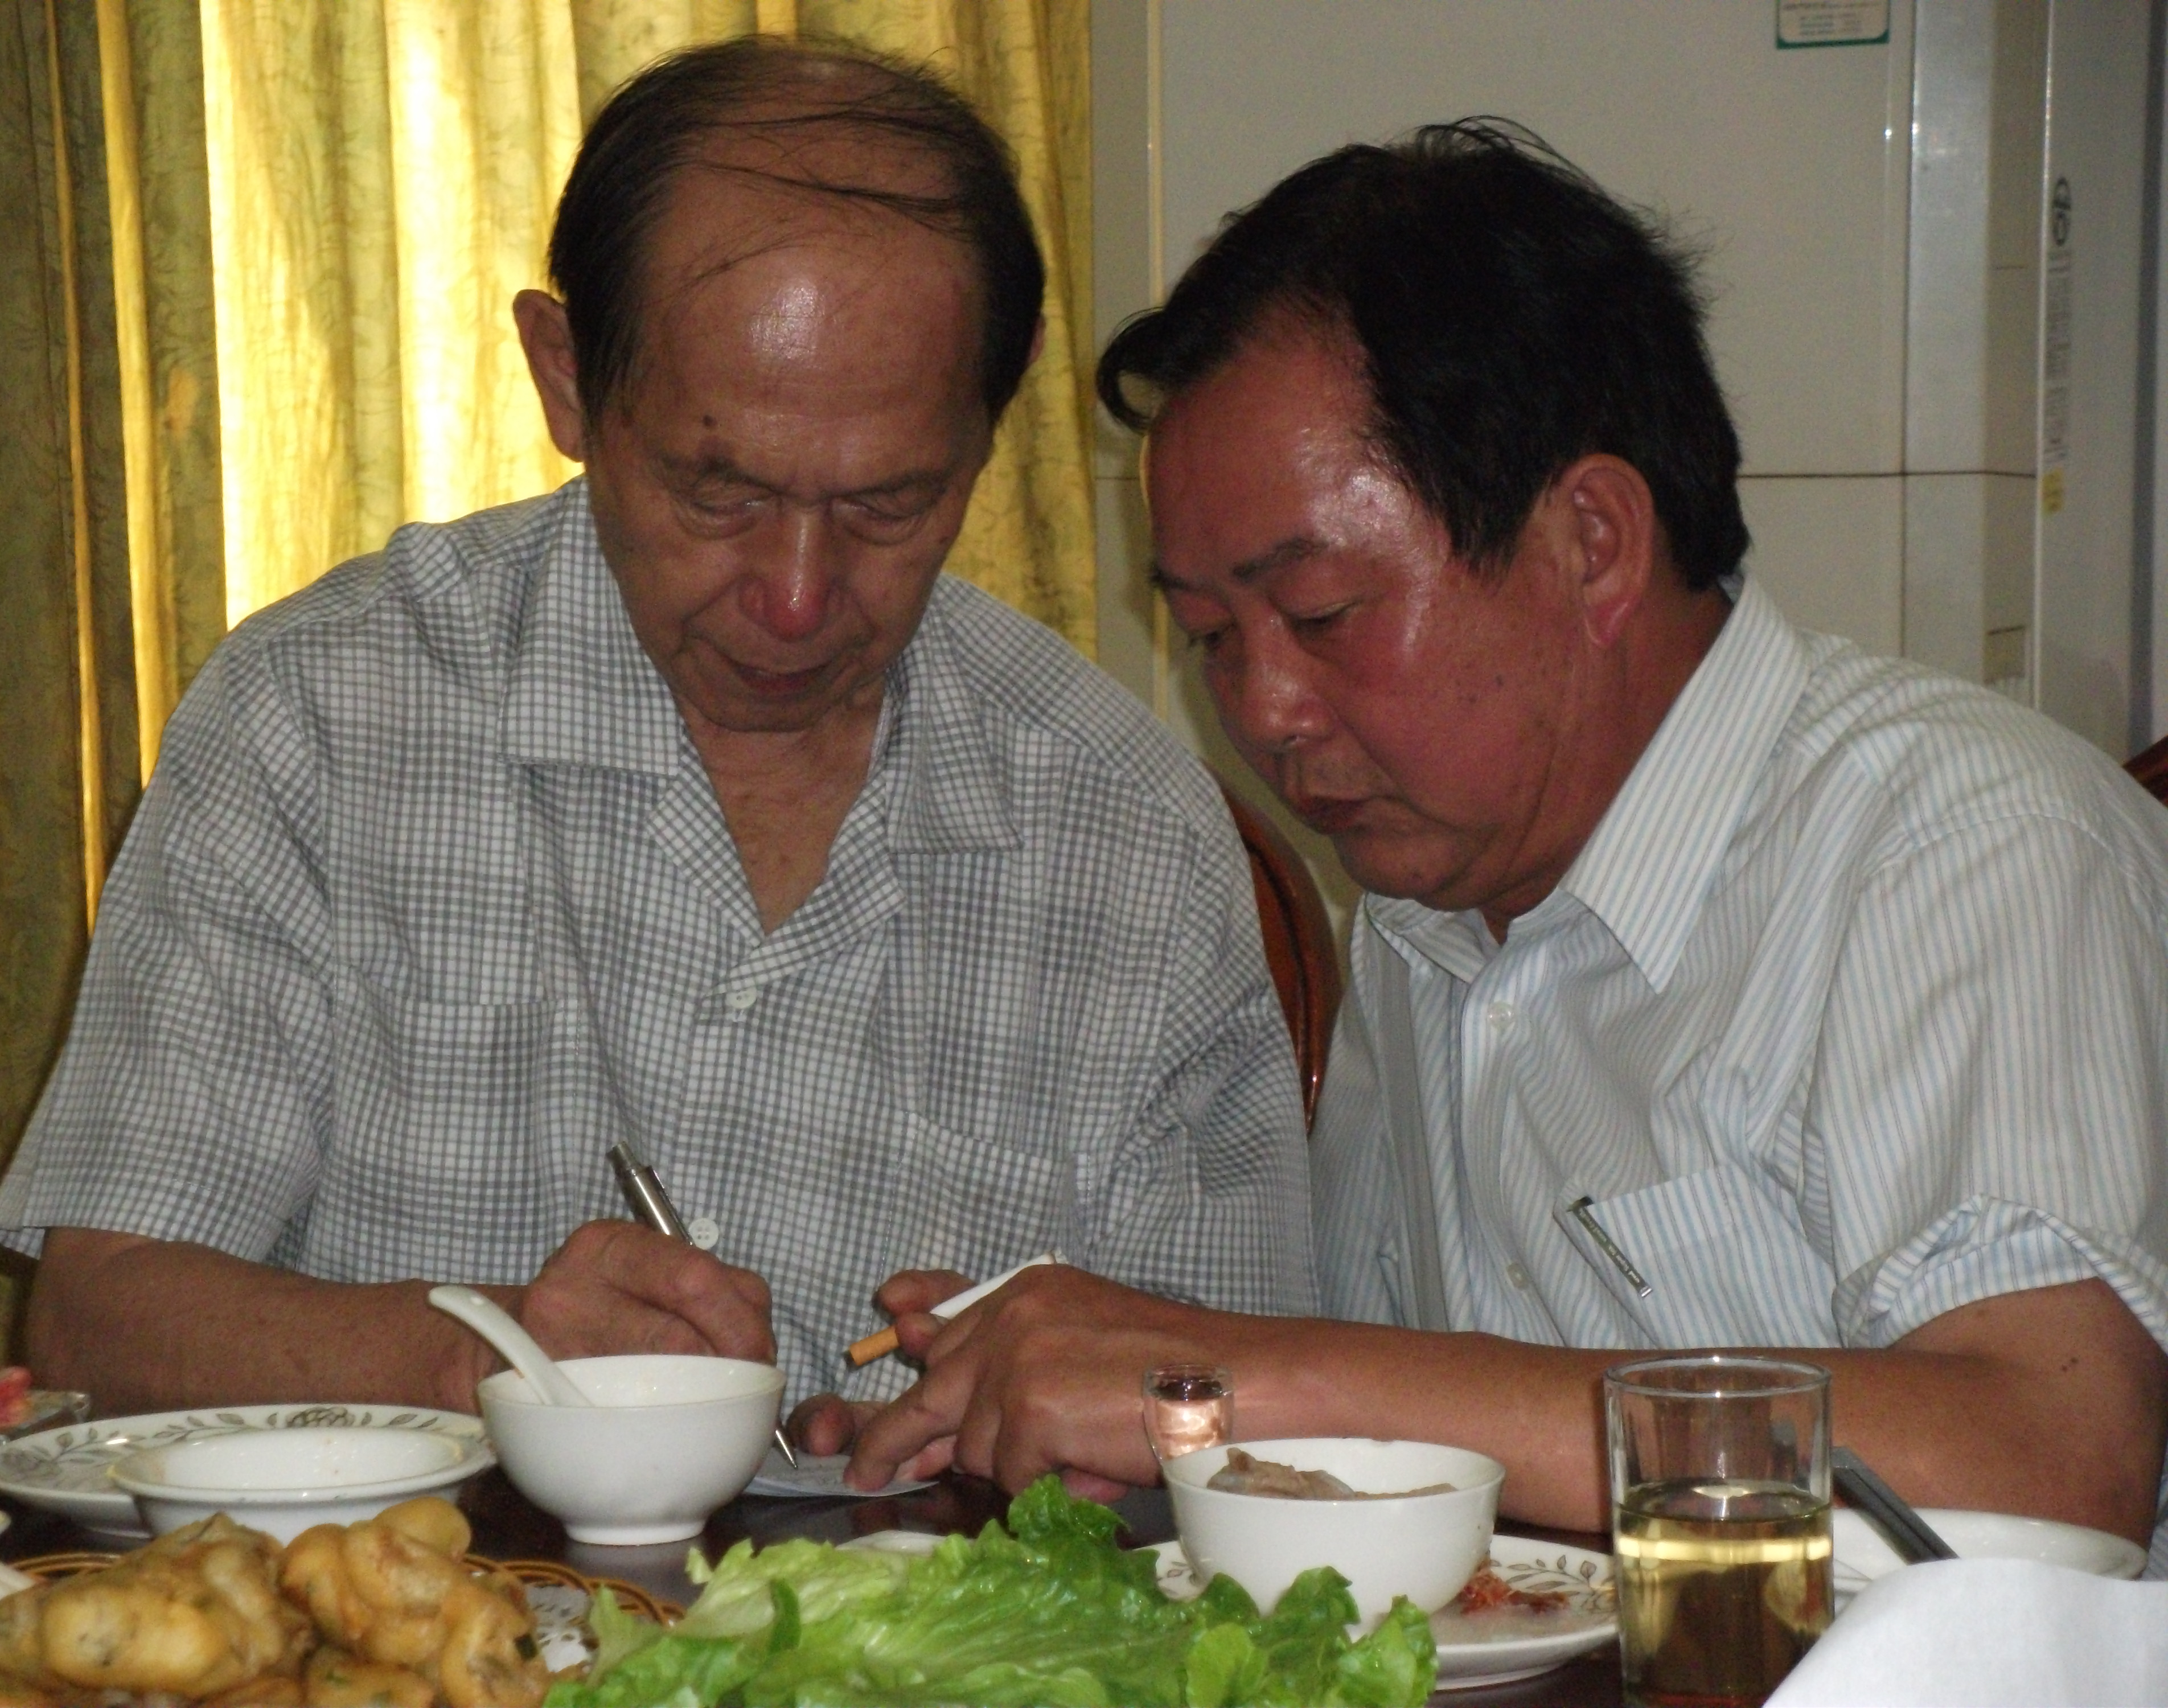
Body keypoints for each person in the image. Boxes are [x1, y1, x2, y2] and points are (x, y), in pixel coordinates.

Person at [847, 123, 2168, 1569]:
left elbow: (2050, 1465)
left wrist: (1272, 1377)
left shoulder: (1961, 848)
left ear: (1591, 541)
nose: (1262, 712)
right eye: (1213, 635)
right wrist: (1126, 1426)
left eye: (1323, 613)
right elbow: (1391, 1447)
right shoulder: (1421, 915)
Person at [0, 38, 1314, 1427]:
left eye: (887, 503)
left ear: (998, 403)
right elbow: (96, 1320)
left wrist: (1011, 1448)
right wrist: (482, 1357)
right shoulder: (322, 718)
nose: (795, 598)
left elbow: (1225, 1410)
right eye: (717, 494)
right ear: (564, 379)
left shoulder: (1127, 830)